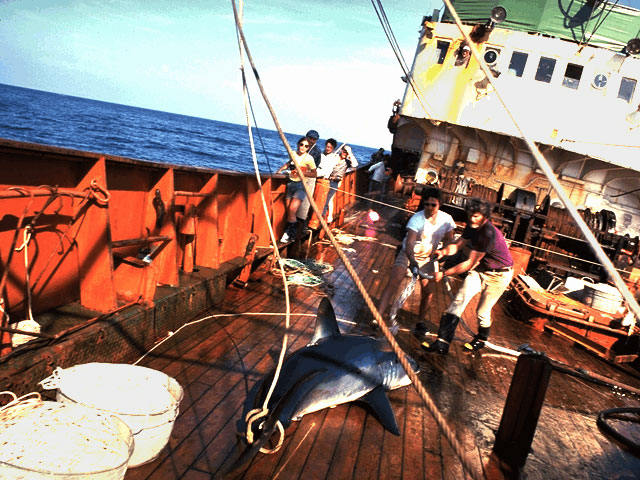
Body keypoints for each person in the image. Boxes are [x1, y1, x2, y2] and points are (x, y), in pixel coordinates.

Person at [421, 197, 513, 355]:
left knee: (482, 312)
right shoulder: (472, 226)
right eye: (470, 215)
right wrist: (443, 252)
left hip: (499, 276)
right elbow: (457, 245)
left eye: (476, 216)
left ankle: (481, 339)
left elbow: (469, 263)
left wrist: (444, 273)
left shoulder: (488, 233)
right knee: (458, 300)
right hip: (482, 270)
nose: (472, 219)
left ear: (485, 216)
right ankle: (442, 343)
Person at [378, 187, 456, 323]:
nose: (430, 207)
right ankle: (377, 316)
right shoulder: (416, 219)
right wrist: (412, 259)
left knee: (428, 292)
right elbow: (409, 242)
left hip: (429, 258)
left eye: (434, 205)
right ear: (423, 203)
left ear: (440, 204)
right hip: (409, 255)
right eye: (427, 204)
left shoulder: (447, 220)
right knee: (394, 282)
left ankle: (420, 322)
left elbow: (450, 239)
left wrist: (443, 253)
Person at [276, 137, 317, 243]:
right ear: (298, 144)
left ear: (308, 148)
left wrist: (304, 173)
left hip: (301, 186)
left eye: (306, 146)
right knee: (289, 210)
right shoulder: (293, 154)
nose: (303, 147)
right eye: (301, 144)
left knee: (292, 209)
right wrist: (280, 170)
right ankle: (292, 235)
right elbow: (289, 163)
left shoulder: (309, 159)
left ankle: (288, 233)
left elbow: (314, 173)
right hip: (290, 184)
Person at [308, 138, 339, 231]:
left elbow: (325, 170)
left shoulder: (334, 158)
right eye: (327, 146)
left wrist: (312, 173)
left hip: (324, 181)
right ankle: (308, 221)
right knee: (311, 201)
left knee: (319, 203)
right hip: (315, 180)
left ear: (333, 148)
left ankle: (313, 225)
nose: (328, 148)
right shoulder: (321, 155)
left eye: (330, 147)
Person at [323, 145, 358, 220]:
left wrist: (350, 152)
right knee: (324, 198)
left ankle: (326, 216)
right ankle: (327, 216)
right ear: (341, 150)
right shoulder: (334, 157)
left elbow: (355, 164)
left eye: (346, 153)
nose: (344, 154)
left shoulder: (347, 162)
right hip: (326, 180)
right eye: (344, 151)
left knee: (328, 199)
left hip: (335, 182)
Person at [296, 129, 321, 230]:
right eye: (310, 138)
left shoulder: (316, 151)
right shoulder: (304, 146)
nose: (311, 140)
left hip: (309, 176)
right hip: (299, 175)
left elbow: (310, 165)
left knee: (305, 200)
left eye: (314, 139)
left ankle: (300, 224)